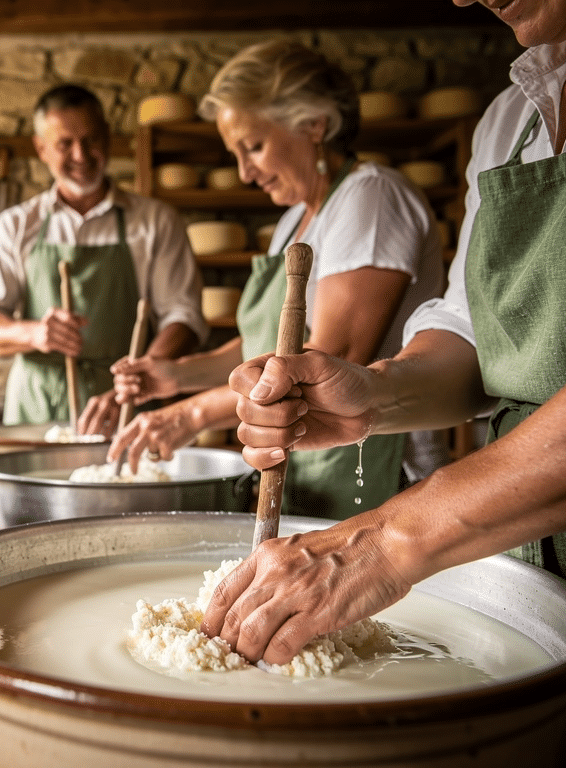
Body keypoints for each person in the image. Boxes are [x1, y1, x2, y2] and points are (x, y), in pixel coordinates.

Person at [201, 0, 566, 669]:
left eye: (252, 146)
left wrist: (387, 540)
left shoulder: (372, 195)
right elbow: (470, 332)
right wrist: (375, 395)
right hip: (526, 553)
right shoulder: (510, 120)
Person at [106, 40, 448, 520]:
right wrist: (177, 375)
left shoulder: (371, 198)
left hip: (376, 469)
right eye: (236, 154)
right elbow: (264, 348)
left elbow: (332, 360)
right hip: (307, 460)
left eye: (254, 146)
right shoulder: (294, 221)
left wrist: (191, 414)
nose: (246, 173)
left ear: (314, 124)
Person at [0, 84, 208, 428]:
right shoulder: (16, 225)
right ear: (42, 148)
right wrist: (33, 333)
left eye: (91, 140)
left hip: (127, 403)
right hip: (36, 408)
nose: (80, 155)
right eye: (65, 143)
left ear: (107, 139)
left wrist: (139, 376)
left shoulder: (155, 221)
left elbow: (184, 317)